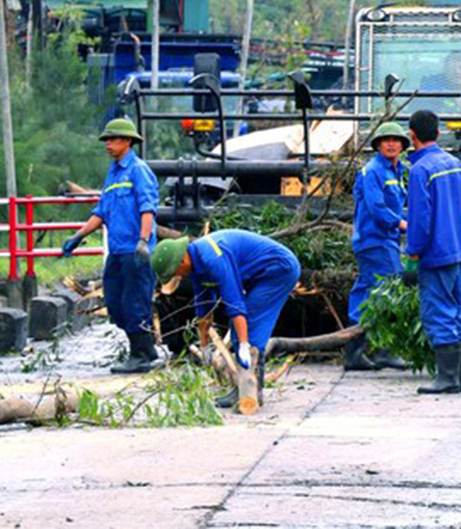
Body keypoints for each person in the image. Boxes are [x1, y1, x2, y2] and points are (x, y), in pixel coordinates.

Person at [152, 229, 301, 407]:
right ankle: (249, 389)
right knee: (241, 328)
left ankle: (248, 392)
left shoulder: (212, 259)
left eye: (177, 272)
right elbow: (204, 305)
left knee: (249, 326)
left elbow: (234, 303)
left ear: (182, 260)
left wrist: (244, 345)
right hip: (258, 274)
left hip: (278, 269)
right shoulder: (197, 264)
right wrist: (205, 345)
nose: (180, 276)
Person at [61, 118, 160, 374]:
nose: (107, 144)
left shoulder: (139, 170)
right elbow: (102, 211)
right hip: (117, 251)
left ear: (127, 142)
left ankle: (140, 356)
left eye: (112, 139)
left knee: (135, 303)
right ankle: (147, 350)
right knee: (115, 303)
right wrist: (77, 236)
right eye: (106, 139)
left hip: (135, 251)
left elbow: (148, 208)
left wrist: (143, 242)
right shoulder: (114, 172)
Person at [405, 109, 461, 395]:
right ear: (437, 132)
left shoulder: (421, 170)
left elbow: (420, 220)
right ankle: (460, 378)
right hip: (459, 250)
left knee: (439, 312)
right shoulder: (455, 164)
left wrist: (413, 252)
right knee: (457, 310)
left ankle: (446, 379)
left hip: (435, 254)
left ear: (412, 135)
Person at [344, 122, 411, 372]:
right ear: (378, 145)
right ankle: (385, 351)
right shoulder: (372, 171)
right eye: (386, 140)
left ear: (403, 145)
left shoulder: (397, 171)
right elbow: (377, 209)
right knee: (391, 289)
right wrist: (402, 224)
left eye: (396, 140)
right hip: (375, 240)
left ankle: (354, 354)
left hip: (384, 240)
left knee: (364, 293)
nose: (391, 143)